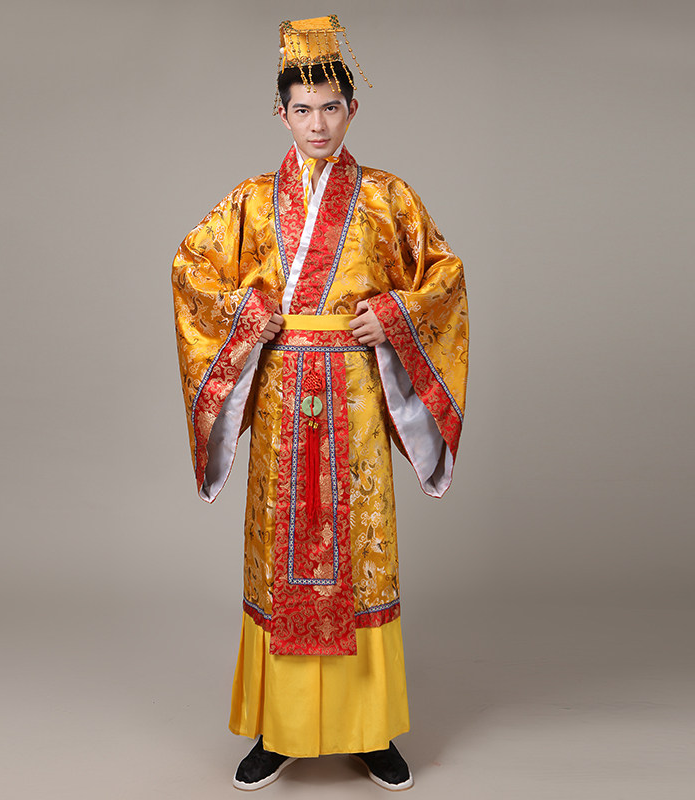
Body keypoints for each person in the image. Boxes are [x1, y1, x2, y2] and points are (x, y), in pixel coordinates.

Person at [171, 15, 468, 792]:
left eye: (331, 107)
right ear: (280, 114)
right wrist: (248, 315)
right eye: (302, 109)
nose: (317, 124)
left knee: (360, 556)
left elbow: (443, 278)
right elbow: (191, 270)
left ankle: (370, 731)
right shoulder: (252, 201)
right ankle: (279, 729)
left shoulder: (388, 198)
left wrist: (394, 316)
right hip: (283, 399)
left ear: (352, 109)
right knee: (283, 557)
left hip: (356, 402)